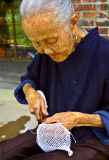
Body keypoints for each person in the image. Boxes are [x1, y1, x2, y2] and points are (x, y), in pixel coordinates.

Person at [0, 0, 109, 159]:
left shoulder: (104, 54)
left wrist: (78, 119)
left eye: (52, 41)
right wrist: (30, 92)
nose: (45, 50)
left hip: (91, 138)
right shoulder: (44, 54)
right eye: (36, 43)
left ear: (73, 22)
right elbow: (29, 78)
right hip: (50, 130)